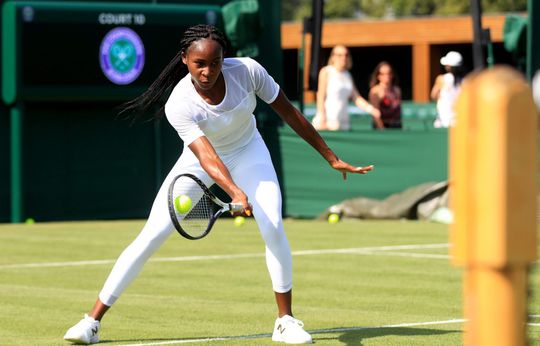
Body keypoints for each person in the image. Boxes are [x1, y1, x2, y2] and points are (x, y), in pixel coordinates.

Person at [63, 24, 374, 345]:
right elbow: (207, 156)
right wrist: (235, 192)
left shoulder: (248, 72)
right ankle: (92, 322)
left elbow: (289, 113)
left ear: (224, 58)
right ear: (185, 59)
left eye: (215, 62)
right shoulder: (179, 103)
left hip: (249, 151)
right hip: (199, 162)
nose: (208, 71)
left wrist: (330, 157)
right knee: (151, 236)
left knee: (273, 224)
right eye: (200, 64)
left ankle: (285, 321)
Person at [312, 45, 381, 131]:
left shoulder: (348, 75)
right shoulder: (326, 71)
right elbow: (320, 96)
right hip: (327, 122)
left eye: (346, 55)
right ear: (333, 57)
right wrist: (322, 116)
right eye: (339, 55)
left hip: (343, 123)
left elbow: (356, 98)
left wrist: (372, 110)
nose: (343, 58)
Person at [430, 51, 466, 128]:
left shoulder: (441, 79)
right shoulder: (467, 81)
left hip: (444, 121)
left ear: (449, 66)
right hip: (460, 121)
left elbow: (433, 96)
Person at [368, 61, 402, 129]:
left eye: (389, 73)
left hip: (397, 126)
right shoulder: (375, 91)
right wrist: (382, 129)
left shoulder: (397, 90)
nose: (387, 76)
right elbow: (375, 114)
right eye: (383, 74)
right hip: (383, 127)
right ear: (378, 76)